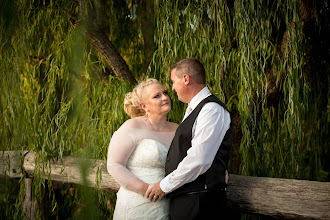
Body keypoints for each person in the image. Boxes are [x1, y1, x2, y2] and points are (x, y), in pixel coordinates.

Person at [146, 58, 232, 220]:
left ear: (186, 79)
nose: (172, 88)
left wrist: (163, 186)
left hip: (200, 203)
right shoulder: (195, 109)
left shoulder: (211, 110)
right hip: (189, 200)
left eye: (173, 81)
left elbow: (199, 160)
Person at [107, 78, 178, 220]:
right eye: (157, 96)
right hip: (136, 202)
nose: (165, 98)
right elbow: (114, 165)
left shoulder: (178, 130)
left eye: (165, 93)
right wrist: (145, 188)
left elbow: (194, 159)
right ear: (144, 106)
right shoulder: (132, 126)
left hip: (165, 203)